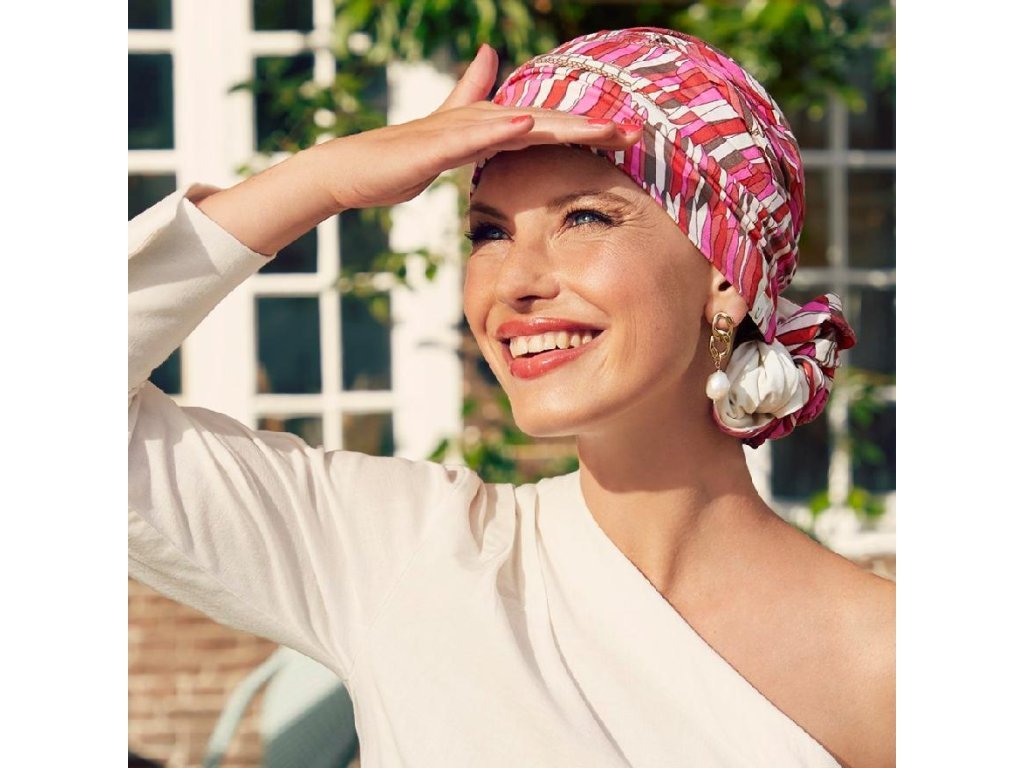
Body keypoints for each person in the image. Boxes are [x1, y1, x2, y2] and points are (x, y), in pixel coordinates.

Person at [129, 27, 894, 768]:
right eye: (490, 233)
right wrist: (325, 178)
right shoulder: (402, 557)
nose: (515, 282)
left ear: (726, 276)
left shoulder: (884, 662)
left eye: (583, 218)